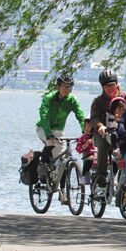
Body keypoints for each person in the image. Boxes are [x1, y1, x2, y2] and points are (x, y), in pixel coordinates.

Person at [35, 74, 86, 203]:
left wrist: (85, 129)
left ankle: (62, 193)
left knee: (63, 162)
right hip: (43, 128)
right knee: (50, 143)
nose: (67, 89)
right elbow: (44, 116)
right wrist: (48, 132)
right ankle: (42, 166)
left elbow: (80, 114)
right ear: (58, 87)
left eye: (70, 87)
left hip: (58, 130)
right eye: (64, 86)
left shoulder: (72, 100)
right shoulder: (49, 98)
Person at [89, 70, 126, 186]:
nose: (110, 89)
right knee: (103, 143)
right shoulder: (98, 102)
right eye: (106, 86)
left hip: (122, 132)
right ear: (102, 87)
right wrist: (100, 126)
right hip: (104, 133)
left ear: (117, 84)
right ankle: (101, 174)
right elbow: (94, 117)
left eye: (112, 85)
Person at [76, 117, 96, 185]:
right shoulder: (83, 138)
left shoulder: (97, 136)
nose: (87, 128)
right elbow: (78, 149)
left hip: (99, 154)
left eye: (89, 126)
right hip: (90, 155)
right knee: (89, 160)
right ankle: (84, 177)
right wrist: (85, 145)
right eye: (86, 126)